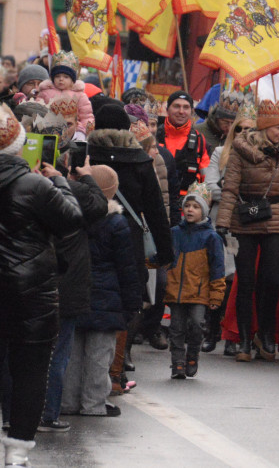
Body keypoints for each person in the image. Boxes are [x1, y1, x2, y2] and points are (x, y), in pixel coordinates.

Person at [0, 105, 84, 466]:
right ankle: (17, 451)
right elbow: (73, 219)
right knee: (30, 371)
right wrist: (60, 181)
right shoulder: (34, 185)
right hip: (30, 294)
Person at [86, 103, 174, 372]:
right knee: (131, 298)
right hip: (130, 239)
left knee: (93, 297)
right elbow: (156, 210)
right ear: (126, 127)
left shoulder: (87, 155)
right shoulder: (140, 160)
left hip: (89, 236)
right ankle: (120, 363)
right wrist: (166, 251)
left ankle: (91, 364)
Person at [216, 99, 279, 363]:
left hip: (274, 220)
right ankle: (243, 337)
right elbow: (230, 189)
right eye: (278, 127)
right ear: (265, 128)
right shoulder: (241, 153)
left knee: (272, 280)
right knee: (246, 282)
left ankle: (265, 334)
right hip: (245, 221)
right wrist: (222, 222)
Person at [61, 165, 141, 419]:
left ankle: (68, 401)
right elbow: (126, 267)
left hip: (74, 291)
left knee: (71, 353)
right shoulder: (116, 222)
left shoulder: (69, 216)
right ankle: (94, 403)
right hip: (107, 297)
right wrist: (131, 303)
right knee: (99, 356)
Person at [37, 155, 108, 433]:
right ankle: (48, 414)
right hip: (64, 288)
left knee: (20, 352)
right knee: (57, 353)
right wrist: (85, 175)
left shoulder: (21, 189)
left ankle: (14, 414)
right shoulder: (70, 195)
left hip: (30, 283)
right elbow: (99, 204)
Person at [201, 104, 256, 356]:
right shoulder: (221, 153)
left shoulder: (260, 155)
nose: (245, 133)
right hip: (221, 222)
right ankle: (212, 330)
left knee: (239, 279)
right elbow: (210, 187)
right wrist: (237, 195)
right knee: (219, 274)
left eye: (250, 129)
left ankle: (232, 334)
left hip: (246, 224)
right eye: (240, 129)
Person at [166, 183, 225, 379]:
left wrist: (216, 294)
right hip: (176, 289)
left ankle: (192, 354)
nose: (190, 209)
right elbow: (165, 257)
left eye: (196, 206)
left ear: (204, 211)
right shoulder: (175, 233)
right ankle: (177, 363)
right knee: (176, 328)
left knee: (197, 324)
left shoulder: (211, 237)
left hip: (199, 291)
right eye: (187, 205)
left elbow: (217, 267)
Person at [158, 89, 211, 204]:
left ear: (192, 112)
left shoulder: (199, 141)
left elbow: (206, 181)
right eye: (176, 106)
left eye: (186, 107)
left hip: (186, 209)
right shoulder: (154, 137)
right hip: (156, 204)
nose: (181, 111)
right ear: (167, 109)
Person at [35, 50, 94, 134]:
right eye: (57, 76)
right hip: (49, 130)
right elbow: (38, 111)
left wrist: (83, 130)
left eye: (66, 77)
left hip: (74, 131)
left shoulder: (80, 95)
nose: (61, 79)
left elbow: (86, 116)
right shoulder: (44, 93)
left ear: (72, 80)